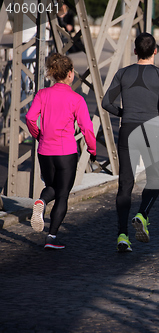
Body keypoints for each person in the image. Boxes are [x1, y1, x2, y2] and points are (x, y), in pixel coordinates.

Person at [102, 32, 159, 252]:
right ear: (155, 51)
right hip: (151, 130)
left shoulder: (123, 73)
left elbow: (106, 102)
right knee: (153, 180)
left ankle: (122, 235)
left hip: (128, 130)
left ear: (135, 51)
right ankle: (142, 216)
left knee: (125, 184)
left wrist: (122, 111)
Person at [26, 53, 96, 250]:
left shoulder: (42, 95)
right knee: (63, 194)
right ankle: (51, 237)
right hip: (66, 152)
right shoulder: (76, 99)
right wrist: (92, 148)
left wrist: (38, 135)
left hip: (45, 151)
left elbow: (30, 118)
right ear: (71, 74)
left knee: (51, 186)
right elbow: (87, 128)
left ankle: (41, 200)